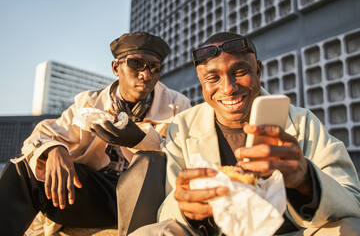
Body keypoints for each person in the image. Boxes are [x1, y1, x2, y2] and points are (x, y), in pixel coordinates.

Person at [150, 32, 360, 235]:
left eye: (240, 72)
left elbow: (352, 201)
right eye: (212, 77)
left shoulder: (301, 121)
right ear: (201, 80)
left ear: (258, 70)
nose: (228, 88)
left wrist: (306, 181)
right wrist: (186, 210)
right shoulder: (182, 126)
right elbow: (166, 212)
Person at [0, 32, 191, 236]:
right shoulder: (89, 102)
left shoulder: (177, 105)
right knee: (25, 166)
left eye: (155, 68)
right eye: (136, 64)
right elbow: (42, 136)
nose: (146, 75)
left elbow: (185, 156)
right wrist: (54, 149)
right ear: (116, 67)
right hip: (96, 194)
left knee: (147, 161)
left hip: (148, 199)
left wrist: (140, 140)